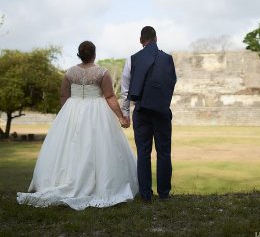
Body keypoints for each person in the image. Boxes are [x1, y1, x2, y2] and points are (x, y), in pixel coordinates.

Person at [17, 41, 138, 210]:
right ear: (94, 54)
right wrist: (121, 117)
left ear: (79, 55)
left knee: (68, 148)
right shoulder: (102, 72)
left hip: (71, 110)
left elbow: (63, 95)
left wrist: (67, 116)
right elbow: (109, 96)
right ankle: (97, 185)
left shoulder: (69, 73)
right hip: (96, 112)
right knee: (98, 147)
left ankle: (64, 181)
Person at [121, 26, 176, 202]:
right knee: (164, 152)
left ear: (141, 41)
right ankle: (164, 193)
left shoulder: (132, 60)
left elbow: (125, 89)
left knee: (143, 153)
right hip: (161, 110)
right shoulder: (168, 59)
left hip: (141, 111)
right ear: (156, 38)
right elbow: (171, 82)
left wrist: (126, 113)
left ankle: (145, 194)